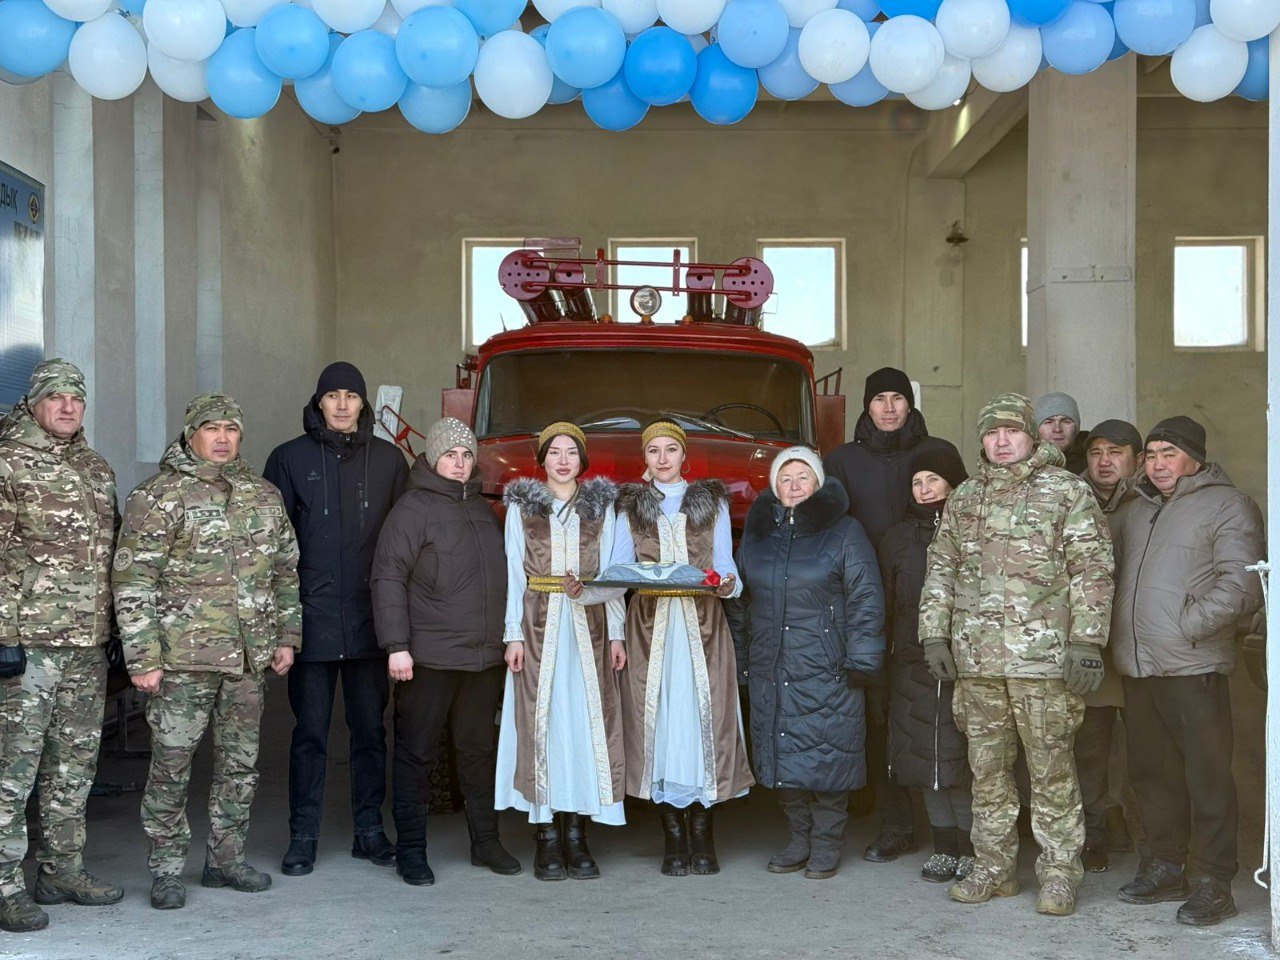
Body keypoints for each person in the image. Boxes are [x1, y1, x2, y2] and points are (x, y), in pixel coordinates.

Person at [919, 393, 1113, 917]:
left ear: (1031, 436)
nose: (1001, 441)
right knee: (987, 772)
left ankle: (1059, 874)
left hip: (1044, 662)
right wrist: (933, 634)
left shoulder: (1066, 491)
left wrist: (1087, 641)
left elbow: (1092, 568)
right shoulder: (965, 497)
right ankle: (994, 868)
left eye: (1011, 431)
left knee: (1052, 772)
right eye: (991, 432)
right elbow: (941, 568)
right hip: (977, 663)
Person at [114, 393, 301, 911]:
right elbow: (133, 582)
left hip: (246, 661)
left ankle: (225, 859)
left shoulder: (262, 495)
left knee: (240, 766)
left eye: (231, 429)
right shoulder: (158, 496)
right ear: (190, 433)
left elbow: (285, 571)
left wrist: (287, 636)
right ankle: (166, 869)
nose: (222, 437)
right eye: (212, 427)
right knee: (172, 765)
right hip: (182, 662)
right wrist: (143, 658)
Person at [1109, 416, 1264, 926]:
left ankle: (1214, 881)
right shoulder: (1134, 509)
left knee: (1208, 776)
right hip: (1138, 665)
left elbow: (1243, 583)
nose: (1158, 464)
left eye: (1169, 454)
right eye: (1151, 455)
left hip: (1193, 664)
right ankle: (1166, 866)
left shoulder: (1228, 504)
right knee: (1152, 775)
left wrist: (1188, 625)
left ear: (1195, 458)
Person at [263, 362, 409, 877]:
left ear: (363, 404)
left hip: (370, 621)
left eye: (351, 395)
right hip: (311, 621)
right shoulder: (288, 459)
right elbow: (271, 550)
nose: (342, 404)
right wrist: (281, 629)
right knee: (310, 735)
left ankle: (369, 831)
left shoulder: (389, 461)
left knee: (370, 733)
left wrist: (401, 629)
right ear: (318, 402)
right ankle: (302, 836)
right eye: (333, 395)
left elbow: (405, 547)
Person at [0, 359, 122, 932]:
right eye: (56, 397)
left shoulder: (95, 467)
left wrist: (115, 629)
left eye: (76, 397)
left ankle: (61, 871)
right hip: (29, 646)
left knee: (73, 765)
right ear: (34, 404)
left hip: (86, 644)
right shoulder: (8, 461)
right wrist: (3, 635)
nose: (68, 406)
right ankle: (5, 885)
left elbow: (112, 556)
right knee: (14, 768)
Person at [371, 417, 517, 886]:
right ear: (433, 458)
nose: (459, 463)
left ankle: (486, 842)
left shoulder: (482, 509)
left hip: (482, 658)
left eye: (467, 455)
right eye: (450, 455)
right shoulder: (412, 509)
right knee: (416, 754)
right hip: (429, 657)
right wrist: (396, 645)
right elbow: (388, 577)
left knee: (478, 752)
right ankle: (411, 850)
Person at [731, 447, 884, 880]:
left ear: (818, 484)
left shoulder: (845, 532)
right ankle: (798, 838)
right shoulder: (760, 536)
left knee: (827, 757)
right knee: (782, 752)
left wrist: (862, 659)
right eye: (785, 478)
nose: (794, 485)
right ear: (774, 486)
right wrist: (741, 660)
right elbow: (739, 601)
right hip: (771, 664)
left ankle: (827, 843)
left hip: (826, 664)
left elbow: (866, 596)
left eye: (803, 477)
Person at [613, 420, 754, 876]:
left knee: (702, 721)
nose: (662, 458)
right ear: (644, 457)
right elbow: (618, 568)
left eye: (670, 449)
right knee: (659, 722)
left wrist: (727, 584)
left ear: (684, 455)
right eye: (653, 450)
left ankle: (703, 835)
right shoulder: (630, 504)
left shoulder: (710, 501)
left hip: (702, 627)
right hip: (650, 626)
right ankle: (673, 838)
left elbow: (725, 566)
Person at [823, 366, 951, 862]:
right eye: (880, 399)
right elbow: (829, 529)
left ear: (910, 403)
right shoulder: (843, 461)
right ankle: (896, 823)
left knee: (941, 718)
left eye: (899, 397)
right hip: (869, 605)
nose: (890, 407)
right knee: (883, 718)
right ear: (867, 405)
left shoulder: (936, 453)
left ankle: (952, 826)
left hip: (932, 604)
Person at [496, 423, 627, 881]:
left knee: (584, 724)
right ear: (542, 459)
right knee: (543, 723)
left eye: (572, 451)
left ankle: (577, 832)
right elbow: (515, 572)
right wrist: (513, 634)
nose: (563, 459)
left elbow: (612, 572)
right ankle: (546, 834)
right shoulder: (523, 507)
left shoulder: (601, 507)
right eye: (554, 452)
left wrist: (617, 633)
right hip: (538, 629)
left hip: (589, 628)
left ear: (583, 460)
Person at [879, 443, 975, 884]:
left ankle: (972, 848)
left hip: (964, 662)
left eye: (933, 479)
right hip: (912, 662)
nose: (924, 489)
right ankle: (944, 847)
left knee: (961, 761)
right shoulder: (897, 539)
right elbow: (886, 604)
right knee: (923, 759)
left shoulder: (974, 529)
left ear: (954, 483)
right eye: (917, 482)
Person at [1076, 418, 1145, 872]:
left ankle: (1147, 830)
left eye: (1116, 453)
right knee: (1091, 743)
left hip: (1141, 640)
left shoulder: (1153, 502)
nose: (1104, 461)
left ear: (1136, 459)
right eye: (1096, 452)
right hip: (1092, 644)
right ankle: (1096, 825)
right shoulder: (1071, 497)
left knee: (1146, 744)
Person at [1034, 392, 1088, 474]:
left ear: (1076, 428)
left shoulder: (1093, 462)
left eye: (1066, 422)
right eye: (1049, 422)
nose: (1057, 429)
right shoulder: (1022, 461)